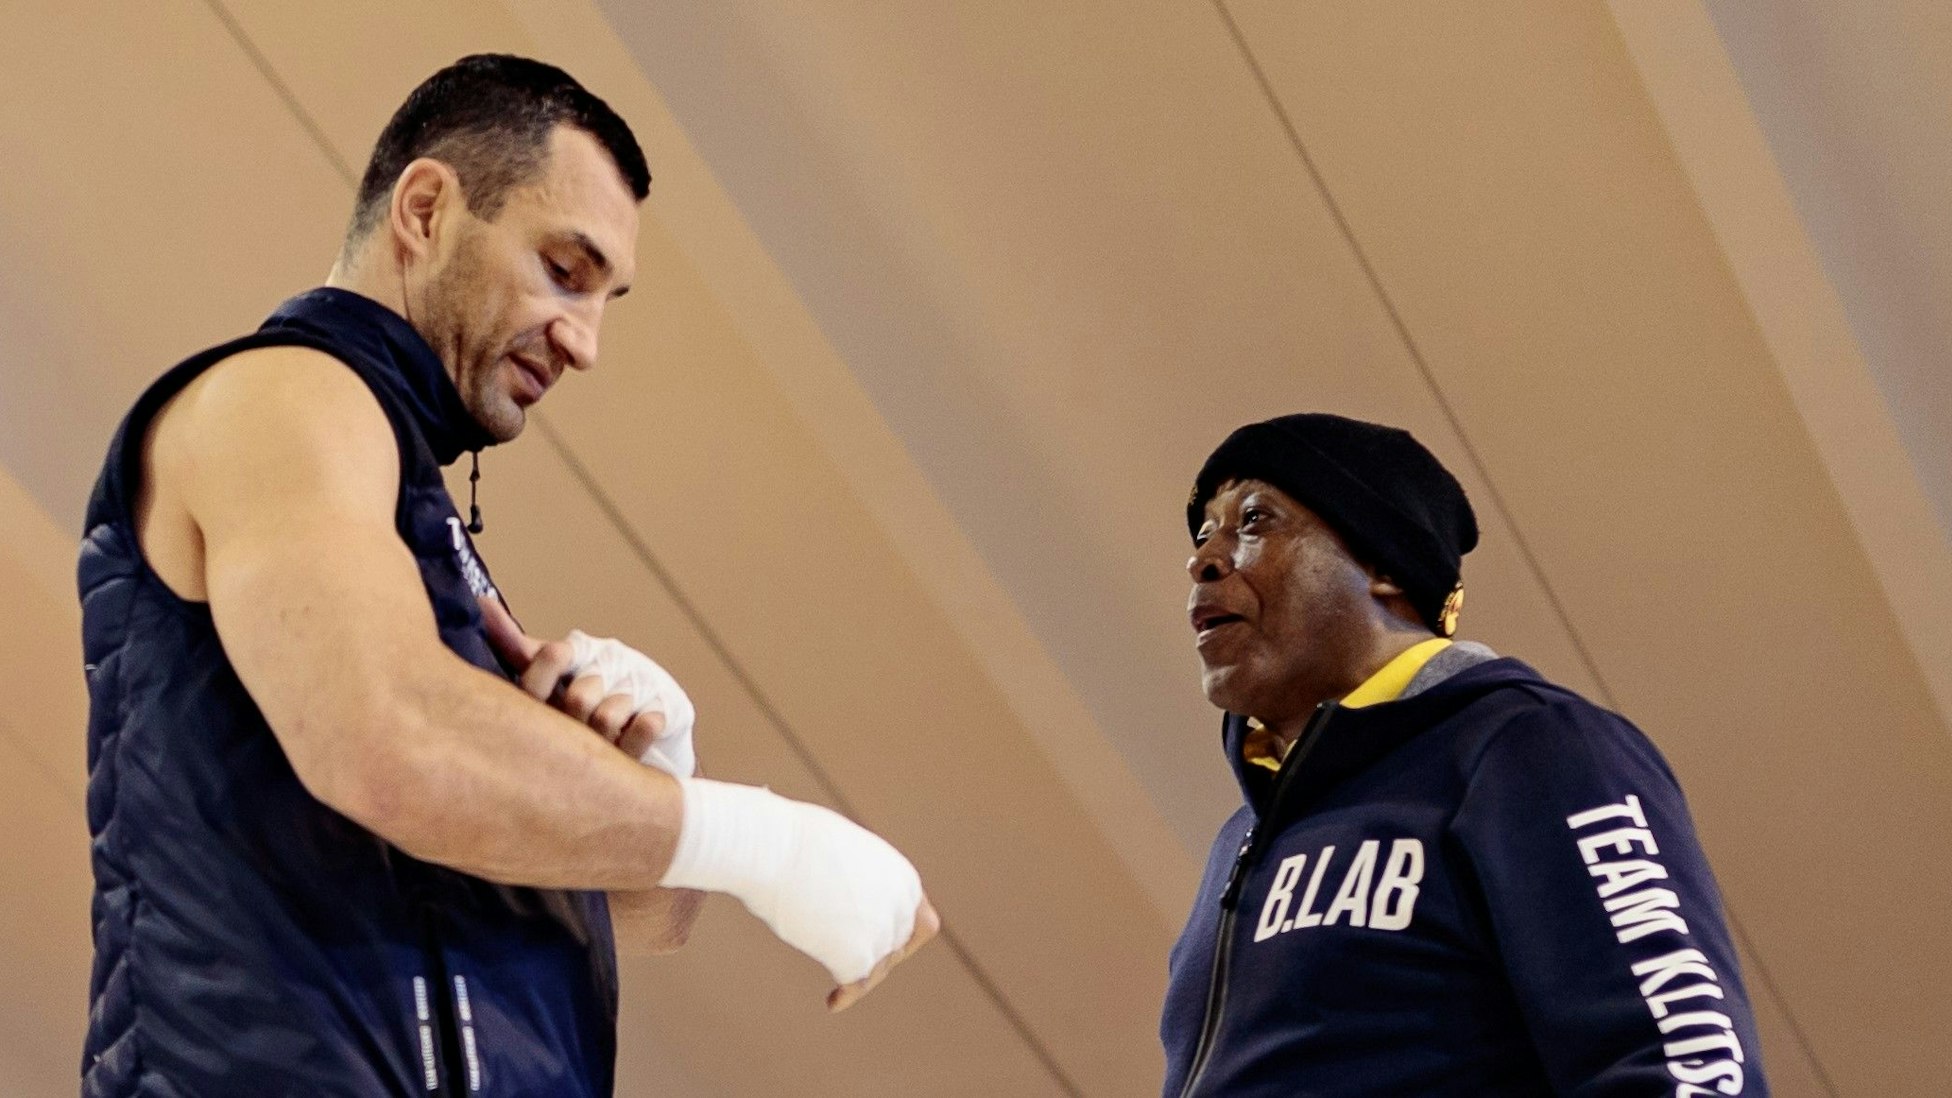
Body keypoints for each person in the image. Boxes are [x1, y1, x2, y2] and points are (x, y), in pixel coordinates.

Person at [78, 55, 935, 1096]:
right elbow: (386, 741)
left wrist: (648, 774)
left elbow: (637, 912)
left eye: (607, 297)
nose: (585, 343)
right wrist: (766, 840)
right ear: (428, 209)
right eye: (565, 272)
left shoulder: (409, 508)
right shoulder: (286, 399)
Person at [1159, 413, 1766, 1096]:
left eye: (1254, 521)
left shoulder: (1533, 749)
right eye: (1204, 532)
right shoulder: (1240, 838)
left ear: (1383, 562)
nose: (1204, 558)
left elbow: (1685, 1063)